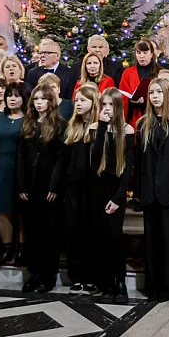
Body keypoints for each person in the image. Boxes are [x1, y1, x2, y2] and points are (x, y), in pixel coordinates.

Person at [135, 78, 169, 301]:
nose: (155, 96)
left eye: (159, 92)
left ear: (168, 94)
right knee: (152, 243)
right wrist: (139, 190)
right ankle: (153, 286)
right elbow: (139, 162)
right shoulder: (143, 123)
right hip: (149, 192)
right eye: (152, 92)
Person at [17, 85, 67, 293]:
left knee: (49, 231)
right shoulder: (28, 124)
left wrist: (54, 185)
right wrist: (20, 184)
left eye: (43, 99)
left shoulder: (59, 125)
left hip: (49, 185)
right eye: (36, 99)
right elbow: (21, 156)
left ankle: (49, 275)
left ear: (50, 102)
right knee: (32, 231)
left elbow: (61, 159)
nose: (39, 102)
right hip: (30, 184)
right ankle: (34, 274)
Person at [88, 87, 134, 300]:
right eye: (104, 105)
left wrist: (118, 198)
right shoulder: (96, 128)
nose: (107, 109)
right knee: (99, 237)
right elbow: (95, 160)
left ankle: (120, 282)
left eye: (111, 105)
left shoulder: (128, 130)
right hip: (98, 188)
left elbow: (128, 169)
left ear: (118, 107)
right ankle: (105, 282)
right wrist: (102, 126)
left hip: (117, 190)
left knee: (115, 237)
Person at [63, 83, 101, 295]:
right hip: (73, 188)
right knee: (73, 233)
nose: (78, 104)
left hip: (93, 189)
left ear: (93, 102)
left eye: (83, 100)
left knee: (91, 234)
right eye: (76, 100)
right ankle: (76, 277)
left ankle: (92, 277)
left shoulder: (99, 127)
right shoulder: (71, 127)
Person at [0, 82, 28, 266]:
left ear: (24, 98)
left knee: (21, 211)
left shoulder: (29, 119)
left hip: (21, 170)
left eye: (16, 95)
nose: (12, 98)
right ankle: (6, 249)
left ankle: (22, 249)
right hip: (1, 169)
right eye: (9, 95)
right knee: (3, 210)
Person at [119, 40, 162, 127]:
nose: (142, 56)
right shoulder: (127, 73)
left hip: (156, 116)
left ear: (151, 53)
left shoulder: (160, 72)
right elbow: (122, 97)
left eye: (145, 52)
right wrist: (131, 101)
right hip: (135, 115)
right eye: (138, 52)